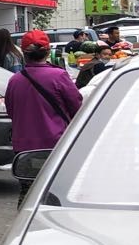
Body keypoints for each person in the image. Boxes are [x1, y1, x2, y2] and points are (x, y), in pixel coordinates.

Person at [5, 29, 83, 203]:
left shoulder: (15, 80)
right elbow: (77, 108)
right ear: (48, 51)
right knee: (57, 193)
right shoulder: (59, 76)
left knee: (28, 195)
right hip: (55, 146)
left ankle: (26, 227)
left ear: (24, 53)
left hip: (24, 150)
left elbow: (11, 111)